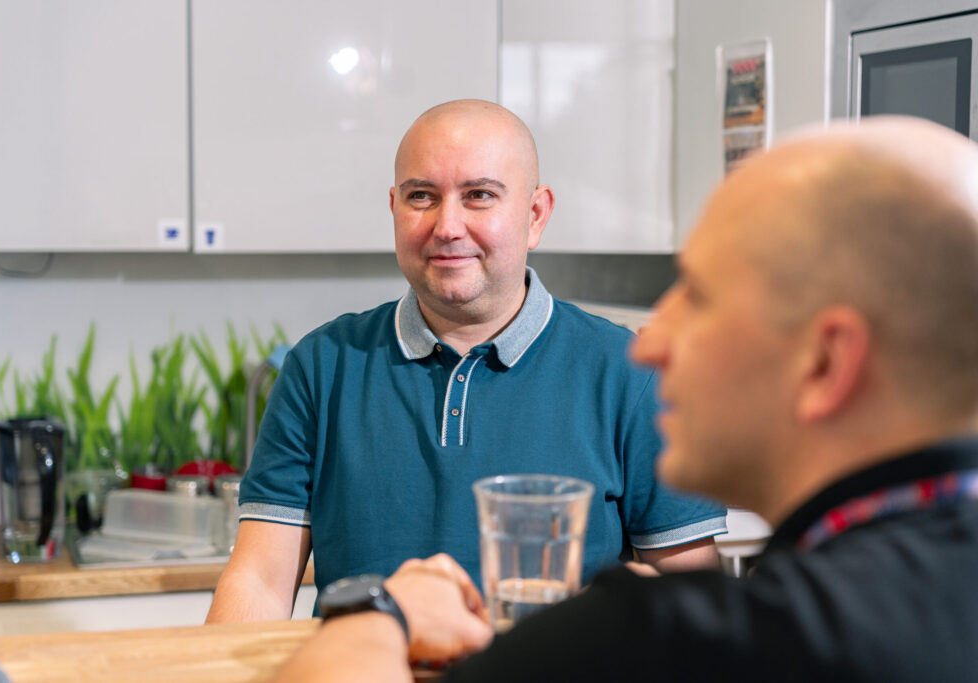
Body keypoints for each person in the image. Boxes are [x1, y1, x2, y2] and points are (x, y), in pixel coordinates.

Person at [273, 115, 978, 682]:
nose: (649, 342)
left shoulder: (683, 637)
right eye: (422, 195)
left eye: (699, 296)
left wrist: (381, 612)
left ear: (825, 363)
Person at [206, 99, 726, 622]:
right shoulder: (321, 367)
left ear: (536, 215)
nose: (447, 226)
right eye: (421, 196)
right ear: (394, 208)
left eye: (479, 195)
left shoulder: (632, 374)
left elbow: (691, 604)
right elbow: (260, 581)